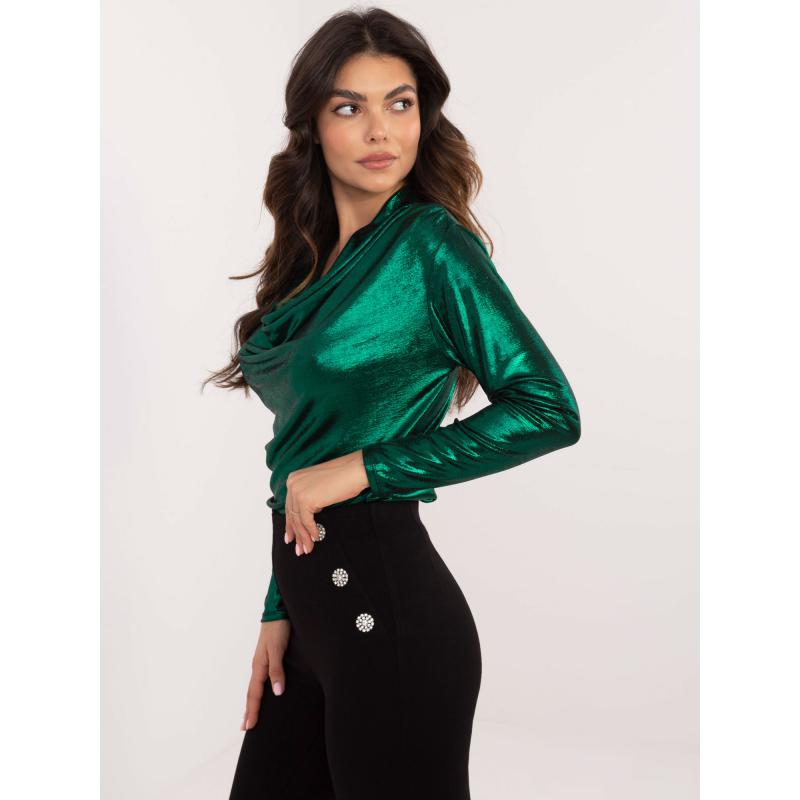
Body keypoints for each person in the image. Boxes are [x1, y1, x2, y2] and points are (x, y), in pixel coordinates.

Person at [203, 8, 581, 799]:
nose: (381, 130)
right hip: (312, 615)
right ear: (312, 125)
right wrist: (280, 607)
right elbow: (302, 451)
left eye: (400, 103)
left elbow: (548, 406)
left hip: (388, 610)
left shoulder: (429, 245)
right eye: (350, 107)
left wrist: (368, 468)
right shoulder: (308, 265)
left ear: (424, 116)